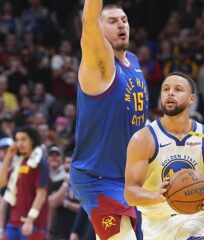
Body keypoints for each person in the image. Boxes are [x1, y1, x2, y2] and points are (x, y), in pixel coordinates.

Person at [69, 1, 149, 239]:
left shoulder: (132, 61)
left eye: (124, 20)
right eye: (112, 22)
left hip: (128, 178)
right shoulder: (99, 63)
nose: (121, 25)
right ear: (99, 29)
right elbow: (89, 21)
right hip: (98, 177)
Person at [124, 72, 204, 240]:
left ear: (191, 99)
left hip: (195, 220)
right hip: (157, 224)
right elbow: (130, 193)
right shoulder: (143, 139)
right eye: (166, 89)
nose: (170, 93)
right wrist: (156, 196)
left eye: (178, 89)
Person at [0, 126, 49, 239]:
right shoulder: (18, 162)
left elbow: (41, 194)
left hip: (33, 222)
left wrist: (30, 220)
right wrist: (8, 156)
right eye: (17, 140)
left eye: (23, 139)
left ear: (32, 140)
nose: (19, 143)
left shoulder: (40, 163)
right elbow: (1, 183)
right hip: (14, 220)